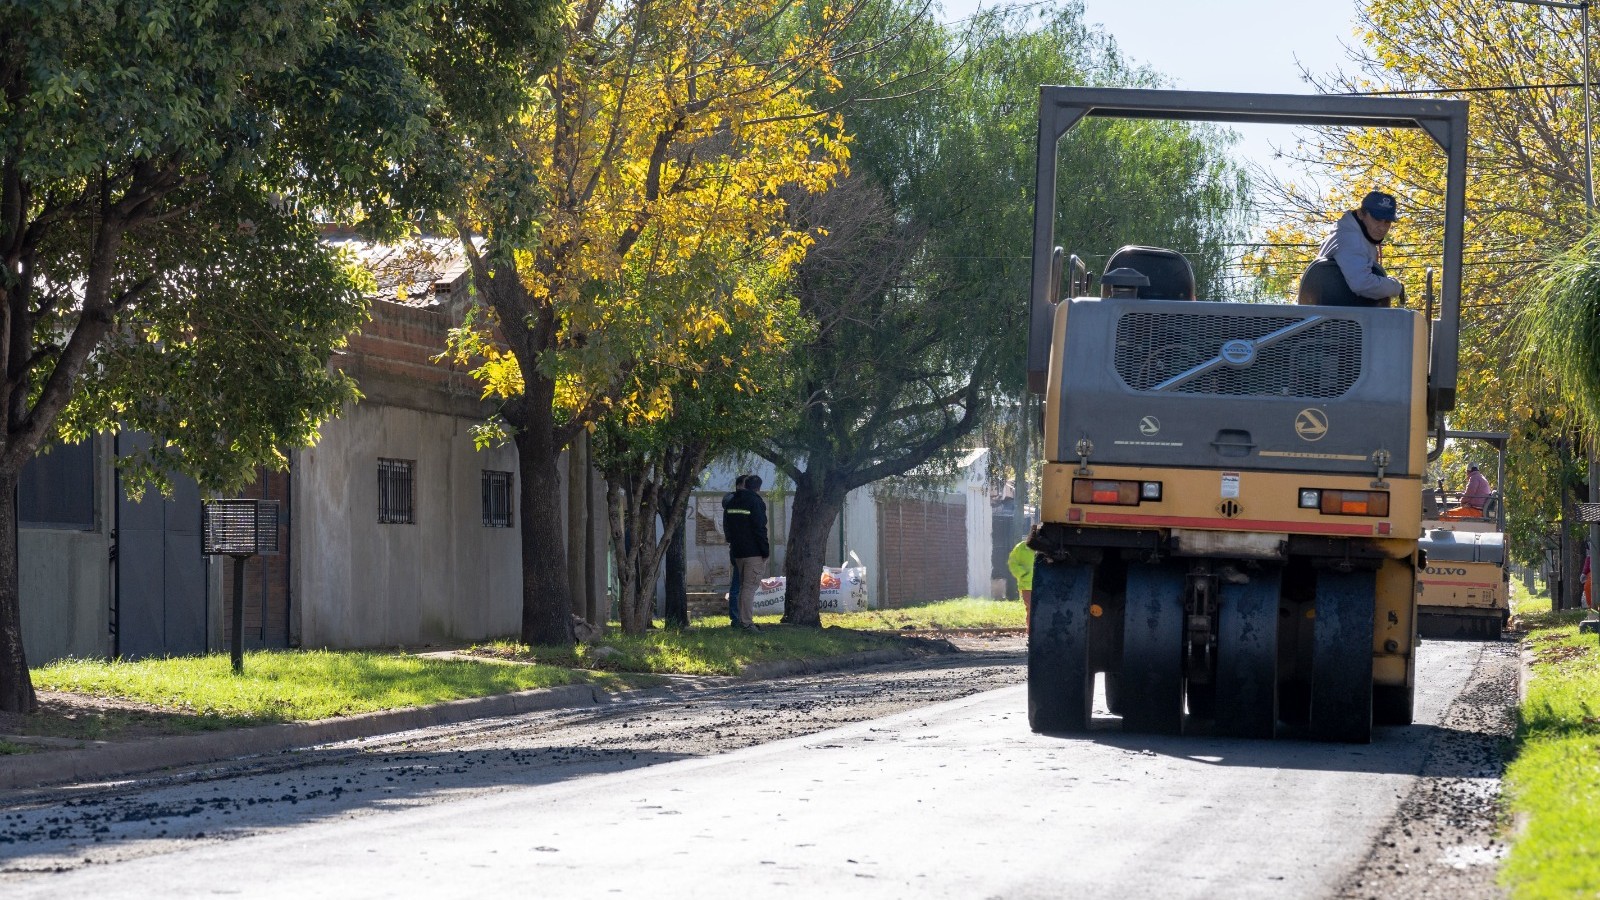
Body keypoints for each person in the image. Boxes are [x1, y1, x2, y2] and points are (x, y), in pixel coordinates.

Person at [1297, 190, 1405, 307]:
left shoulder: (1348, 232)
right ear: (1360, 214)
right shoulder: (1351, 239)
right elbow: (1362, 284)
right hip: (1341, 315)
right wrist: (1396, 287)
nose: (1382, 228)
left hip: (1332, 312)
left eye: (1387, 222)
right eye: (1377, 219)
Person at [723, 474, 770, 631]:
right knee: (749, 588)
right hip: (753, 552)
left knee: (741, 587)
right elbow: (759, 528)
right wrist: (765, 551)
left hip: (737, 551)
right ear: (758, 488)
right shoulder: (755, 502)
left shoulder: (731, 501)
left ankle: (740, 620)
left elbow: (727, 526)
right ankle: (747, 623)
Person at [722, 474, 750, 626]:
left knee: (742, 583)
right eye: (746, 484)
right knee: (737, 583)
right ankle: (736, 617)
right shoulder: (734, 502)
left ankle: (741, 617)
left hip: (743, 547)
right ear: (739, 486)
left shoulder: (739, 502)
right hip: (739, 547)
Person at [1007, 539, 1035, 631]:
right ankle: (1031, 632)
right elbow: (1012, 563)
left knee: (1039, 609)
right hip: (1026, 585)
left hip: (1042, 584)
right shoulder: (1021, 548)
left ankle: (1037, 632)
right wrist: (1022, 573)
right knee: (1031, 608)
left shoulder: (1045, 547)